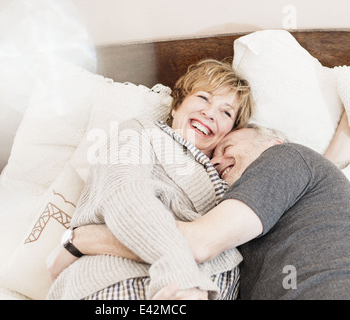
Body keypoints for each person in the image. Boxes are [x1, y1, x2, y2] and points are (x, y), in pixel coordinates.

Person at [53, 119, 350, 300]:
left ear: (273, 142)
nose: (216, 162)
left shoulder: (286, 155)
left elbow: (198, 243)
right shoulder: (267, 211)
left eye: (227, 146)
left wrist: (85, 239)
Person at [46, 58, 254, 300]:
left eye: (226, 112)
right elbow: (125, 196)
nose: (209, 112)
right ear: (177, 106)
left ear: (232, 130)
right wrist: (180, 275)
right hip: (124, 282)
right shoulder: (141, 133)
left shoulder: (228, 174)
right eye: (203, 97)